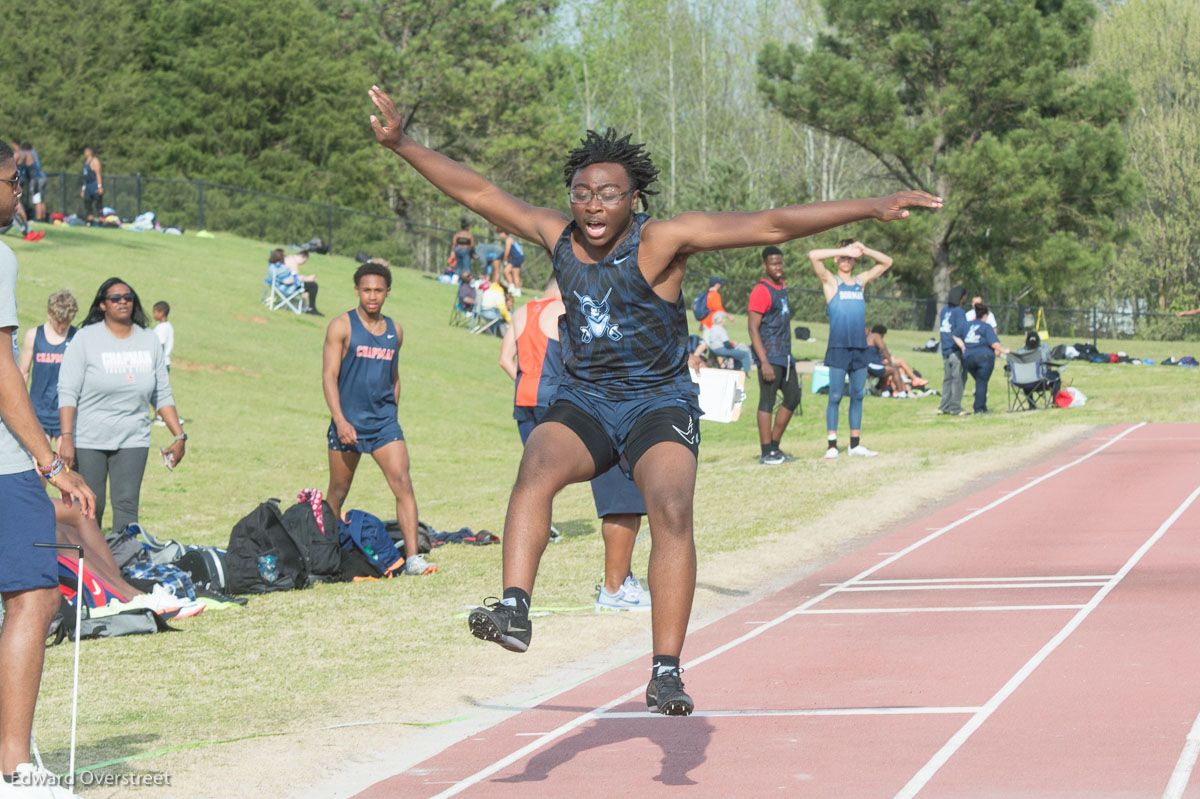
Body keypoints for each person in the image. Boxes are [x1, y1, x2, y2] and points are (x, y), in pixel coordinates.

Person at [368, 83, 939, 715]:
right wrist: (403, 146)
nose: (592, 205)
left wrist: (871, 207)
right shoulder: (557, 237)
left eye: (608, 194)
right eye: (582, 193)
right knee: (535, 470)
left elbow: (772, 224)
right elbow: (478, 192)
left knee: (670, 508)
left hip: (658, 403)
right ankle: (514, 609)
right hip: (585, 400)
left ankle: (665, 670)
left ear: (633, 198)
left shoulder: (663, 240)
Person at [0, 140, 96, 798]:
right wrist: (48, 458)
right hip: (5, 466)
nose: (18, 193)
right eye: (12, 180)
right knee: (34, 594)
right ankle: (13, 765)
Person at [499, 277, 651, 610]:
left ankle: (520, 590)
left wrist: (524, 382)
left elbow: (505, 360)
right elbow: (581, 359)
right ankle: (616, 586)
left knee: (537, 481)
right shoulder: (563, 311)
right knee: (618, 487)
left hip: (525, 398)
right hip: (565, 401)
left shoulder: (523, 311)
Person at [323, 263, 436, 577]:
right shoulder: (341, 326)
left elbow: (395, 378)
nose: (372, 296)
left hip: (384, 425)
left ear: (387, 292)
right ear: (357, 290)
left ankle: (413, 559)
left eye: (378, 290)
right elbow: (329, 377)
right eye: (366, 290)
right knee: (337, 493)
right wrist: (341, 421)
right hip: (347, 424)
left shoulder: (394, 330)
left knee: (403, 485)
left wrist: (390, 416)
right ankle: (325, 552)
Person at [58, 278, 187, 534]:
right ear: (103, 305)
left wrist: (179, 435)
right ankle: (89, 569)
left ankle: (124, 567)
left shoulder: (149, 341)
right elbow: (68, 391)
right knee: (90, 506)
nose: (123, 301)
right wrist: (66, 437)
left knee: (127, 507)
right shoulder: (86, 338)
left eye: (127, 297)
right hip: (89, 439)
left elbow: (162, 394)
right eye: (115, 298)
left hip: (133, 438)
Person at [808, 239, 894, 459]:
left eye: (850, 258)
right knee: (835, 396)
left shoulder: (860, 282)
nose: (846, 261)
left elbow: (887, 262)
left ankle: (855, 445)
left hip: (859, 349)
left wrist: (864, 249)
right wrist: (842, 250)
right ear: (837, 258)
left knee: (858, 395)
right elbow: (813, 255)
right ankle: (832, 446)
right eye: (843, 257)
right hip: (838, 348)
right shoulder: (831, 282)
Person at [747, 247, 800, 465]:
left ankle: (775, 448)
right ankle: (766, 452)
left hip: (785, 356)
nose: (778, 268)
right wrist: (764, 361)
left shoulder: (782, 286)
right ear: (765, 266)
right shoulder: (761, 290)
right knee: (767, 402)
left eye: (780, 263)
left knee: (793, 397)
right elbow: (752, 328)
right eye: (773, 264)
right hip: (769, 356)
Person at [19, 290, 78, 443]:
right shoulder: (34, 335)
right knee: (40, 463)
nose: (63, 326)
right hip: (38, 412)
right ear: (49, 315)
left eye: (67, 322)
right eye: (59, 322)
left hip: (65, 413)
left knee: (65, 464)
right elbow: (23, 373)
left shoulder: (76, 338)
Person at [962, 302, 1010, 414]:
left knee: (980, 382)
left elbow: (955, 334)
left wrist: (962, 346)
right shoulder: (986, 327)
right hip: (983, 358)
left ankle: (982, 406)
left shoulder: (967, 325)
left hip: (968, 358)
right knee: (981, 382)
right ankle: (978, 408)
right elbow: (994, 343)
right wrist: (1005, 351)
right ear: (986, 315)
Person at [865, 324, 926, 397]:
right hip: (871, 364)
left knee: (888, 371)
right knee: (894, 369)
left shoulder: (869, 338)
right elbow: (884, 349)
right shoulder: (876, 336)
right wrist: (890, 362)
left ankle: (885, 392)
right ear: (881, 333)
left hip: (872, 363)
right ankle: (901, 393)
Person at [937, 286, 968, 416]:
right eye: (965, 296)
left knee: (947, 379)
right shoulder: (959, 311)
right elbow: (961, 329)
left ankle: (944, 406)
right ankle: (955, 407)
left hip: (945, 349)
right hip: (955, 350)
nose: (966, 298)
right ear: (961, 297)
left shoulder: (945, 310)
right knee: (958, 378)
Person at [284, 249, 322, 316]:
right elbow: (295, 279)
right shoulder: (293, 263)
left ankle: (305, 306)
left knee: (307, 286)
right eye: (304, 261)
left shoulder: (289, 257)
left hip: (284, 284)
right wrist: (308, 278)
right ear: (302, 256)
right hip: (288, 286)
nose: (303, 264)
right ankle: (312, 308)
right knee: (313, 285)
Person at [18, 142, 45, 222]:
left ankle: (39, 219)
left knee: (36, 198)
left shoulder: (28, 154)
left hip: (35, 179)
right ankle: (43, 218)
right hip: (41, 177)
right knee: (41, 199)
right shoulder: (34, 153)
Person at [499, 227, 525, 296]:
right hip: (515, 257)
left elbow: (507, 252)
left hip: (517, 257)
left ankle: (517, 290)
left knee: (514, 274)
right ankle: (512, 287)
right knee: (506, 271)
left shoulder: (509, 239)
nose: (499, 235)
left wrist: (505, 261)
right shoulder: (508, 239)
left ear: (504, 233)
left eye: (500, 233)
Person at [80, 147, 103, 224]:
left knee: (98, 204)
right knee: (87, 203)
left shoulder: (95, 161)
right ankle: (90, 221)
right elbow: (85, 177)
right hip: (88, 186)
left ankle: (101, 221)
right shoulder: (86, 163)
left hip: (94, 185)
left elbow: (98, 174)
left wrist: (99, 186)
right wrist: (83, 189)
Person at [152, 301, 174, 371]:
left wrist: (157, 362)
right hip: (165, 362)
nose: (153, 315)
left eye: (154, 312)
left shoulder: (162, 328)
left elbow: (161, 345)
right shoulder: (168, 325)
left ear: (161, 313)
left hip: (161, 365)